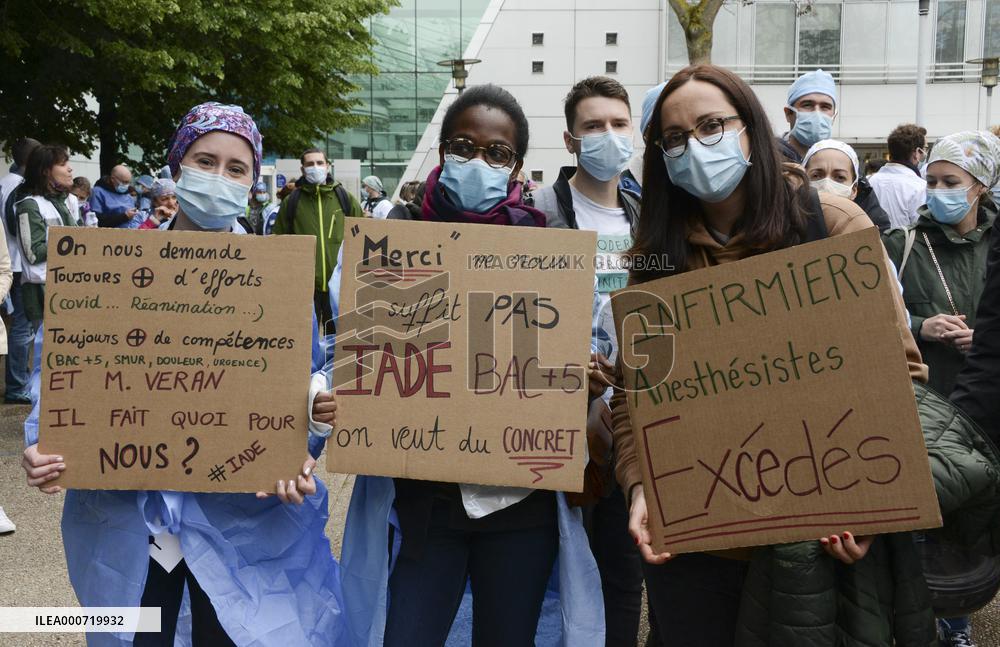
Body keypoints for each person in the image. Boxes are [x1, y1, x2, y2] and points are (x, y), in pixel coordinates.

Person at [617, 64, 930, 646]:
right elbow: (633, 398)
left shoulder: (831, 225)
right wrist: (641, 486)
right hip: (696, 542)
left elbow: (899, 371)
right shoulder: (655, 255)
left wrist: (872, 502)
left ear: (751, 128)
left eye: (711, 125)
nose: (695, 146)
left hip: (811, 540)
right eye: (675, 138)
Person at [20, 101, 346, 647]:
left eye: (236, 168)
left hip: (241, 518)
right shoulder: (115, 270)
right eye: (205, 161)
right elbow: (65, 369)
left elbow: (305, 378)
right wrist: (42, 443)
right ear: (177, 166)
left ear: (252, 183)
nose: (219, 177)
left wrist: (308, 427)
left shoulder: (277, 280)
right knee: (141, 631)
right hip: (133, 516)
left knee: (229, 633)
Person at [335, 84, 604, 647]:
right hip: (424, 502)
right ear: (442, 153)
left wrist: (581, 373)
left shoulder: (547, 248)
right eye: (463, 146)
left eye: (497, 152)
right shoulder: (392, 239)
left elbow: (570, 353)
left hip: (521, 503)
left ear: (516, 167)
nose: (478, 160)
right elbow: (349, 348)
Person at [531, 75, 643, 647]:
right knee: (555, 568)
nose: (608, 135)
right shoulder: (537, 212)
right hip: (559, 420)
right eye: (593, 126)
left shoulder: (649, 217)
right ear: (571, 140)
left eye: (618, 124)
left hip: (633, 423)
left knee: (623, 571)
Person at [883, 130, 1000, 647]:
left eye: (951, 182)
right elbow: (875, 313)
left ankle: (956, 622)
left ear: (981, 186)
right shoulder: (902, 243)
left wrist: (989, 341)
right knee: (918, 521)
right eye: (930, 180)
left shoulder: (995, 245)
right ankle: (912, 623)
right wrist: (919, 325)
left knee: (968, 522)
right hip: (921, 405)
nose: (937, 191)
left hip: (981, 409)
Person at [272, 149, 362, 335]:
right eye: (310, 164)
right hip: (303, 285)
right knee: (303, 337)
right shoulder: (292, 202)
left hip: (338, 284)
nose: (315, 167)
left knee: (336, 339)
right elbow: (278, 242)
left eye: (320, 163)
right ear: (302, 169)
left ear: (327, 166)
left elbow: (362, 235)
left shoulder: (344, 198)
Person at [14, 145, 79, 327]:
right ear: (45, 171)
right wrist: (71, 243)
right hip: (43, 291)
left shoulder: (66, 202)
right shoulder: (30, 206)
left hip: (69, 286)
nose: (70, 169)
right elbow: (33, 253)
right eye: (63, 164)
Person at [0, 137, 40, 404]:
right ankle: (17, 385)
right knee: (22, 328)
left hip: (9, 262)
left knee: (18, 326)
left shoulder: (5, 181)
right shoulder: (19, 187)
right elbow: (17, 228)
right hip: (16, 263)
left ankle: (17, 382)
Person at [802, 139, 891, 231]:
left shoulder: (872, 232)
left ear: (854, 190)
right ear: (802, 180)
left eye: (839, 177)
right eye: (816, 175)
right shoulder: (791, 227)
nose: (826, 184)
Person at [869, 124, 928, 229]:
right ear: (917, 153)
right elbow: (922, 230)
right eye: (925, 149)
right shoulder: (920, 187)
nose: (925, 153)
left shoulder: (869, 182)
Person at [781, 69, 837, 162]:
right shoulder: (768, 158)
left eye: (825, 107)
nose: (817, 113)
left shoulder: (843, 163)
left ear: (834, 116)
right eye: (807, 105)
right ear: (788, 113)